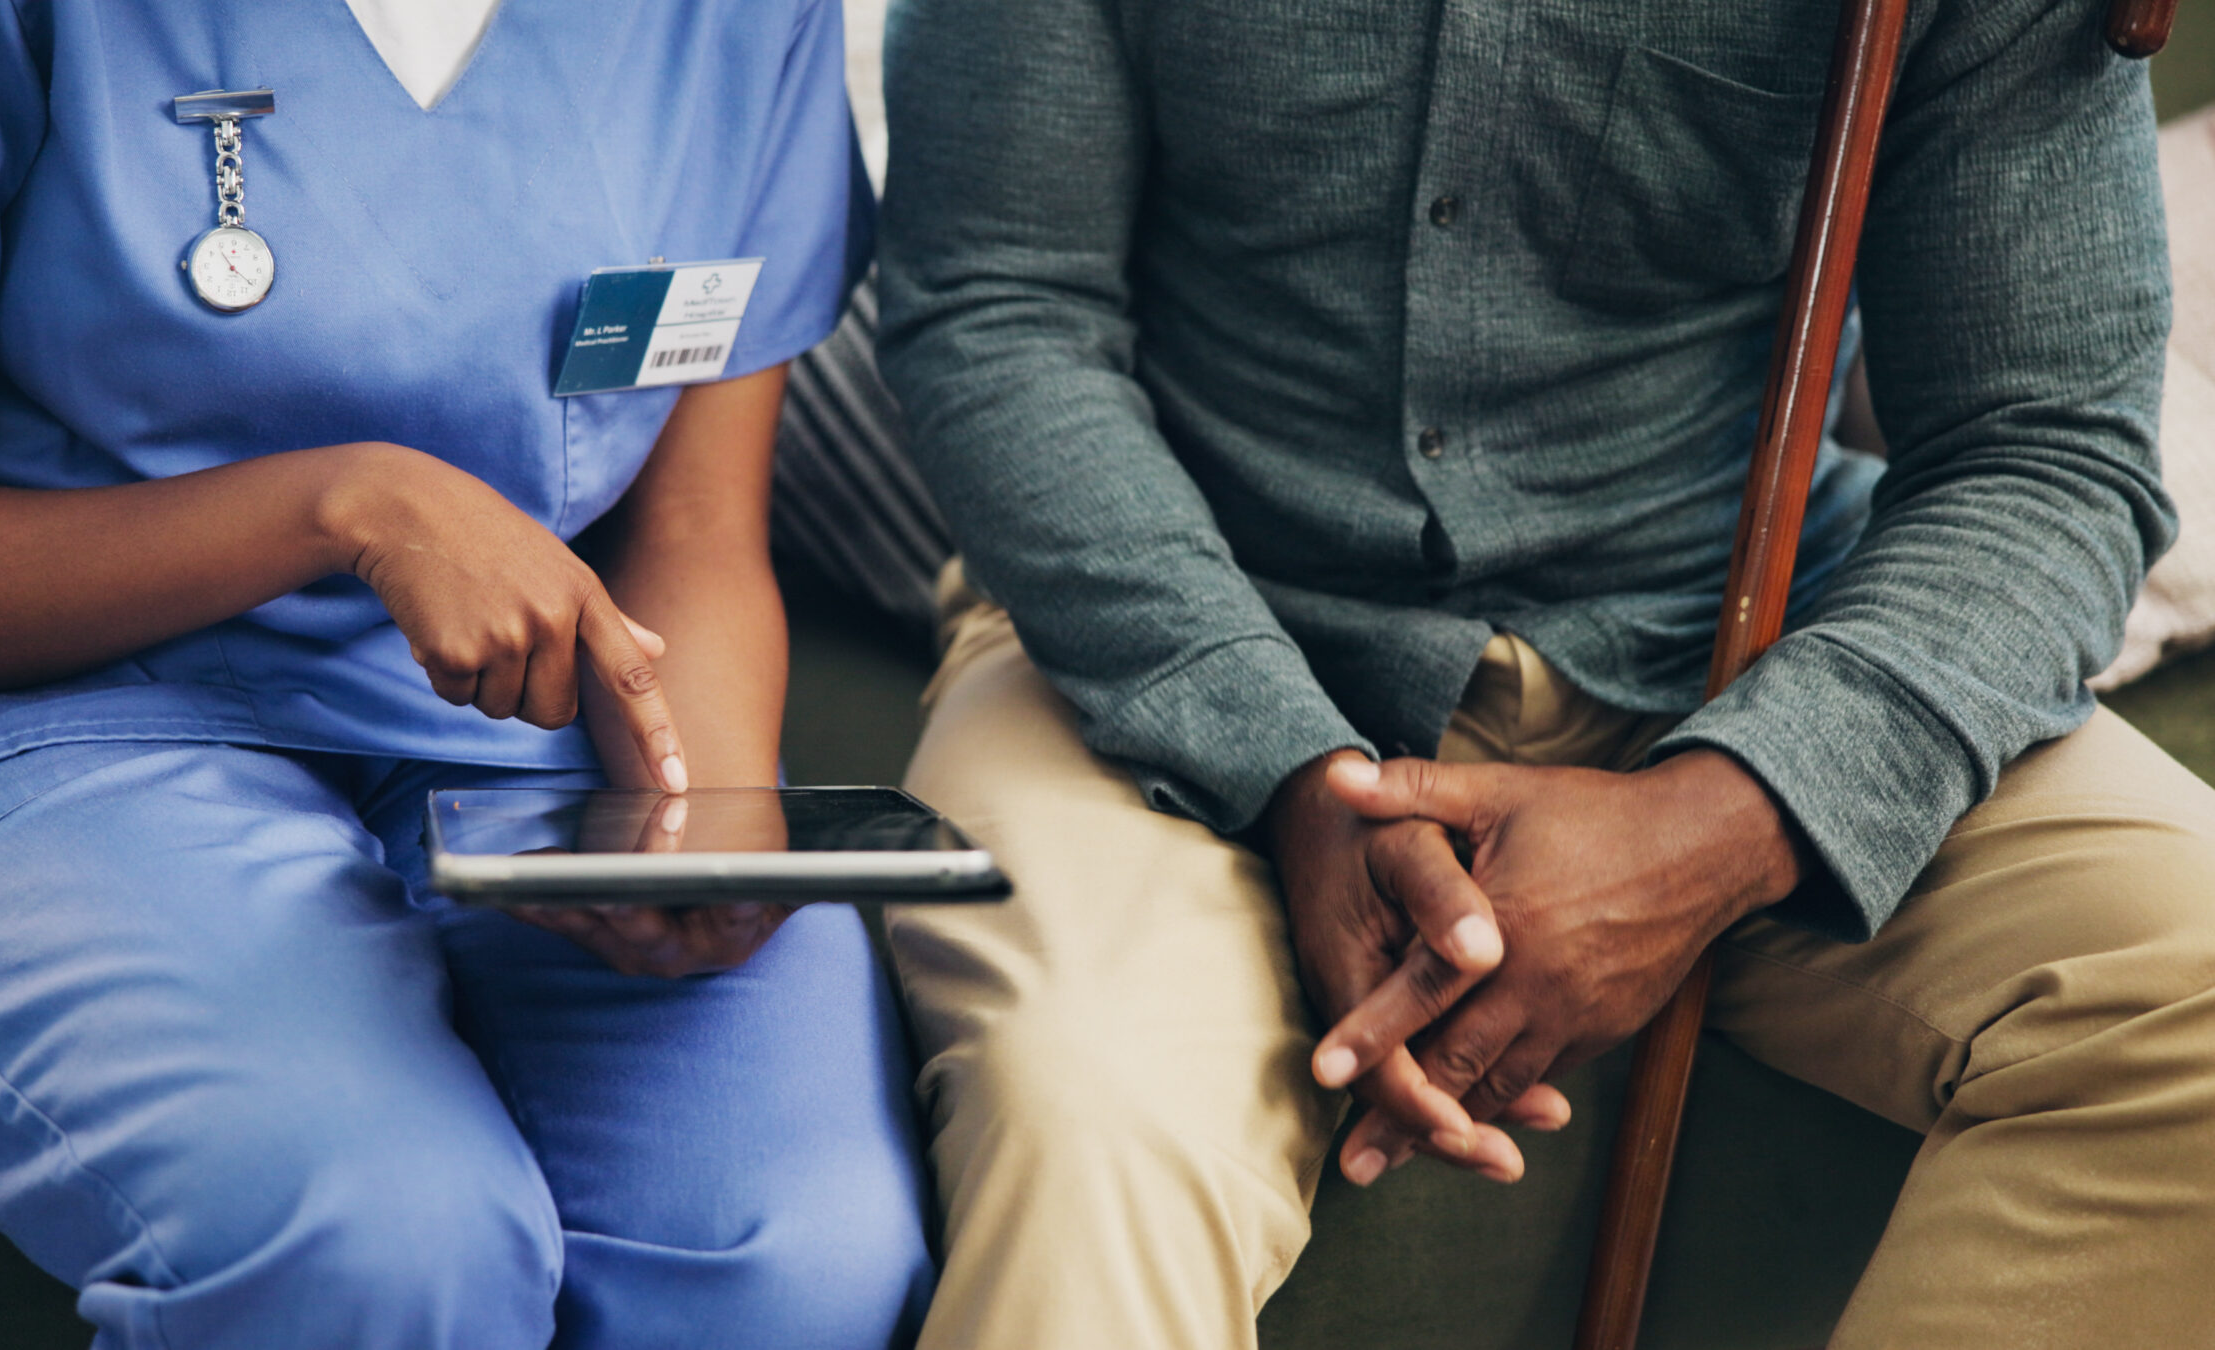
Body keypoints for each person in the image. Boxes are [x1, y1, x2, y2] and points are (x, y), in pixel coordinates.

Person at [874, 0, 2215, 1347]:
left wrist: (1724, 820)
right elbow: (1002, 309)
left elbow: (2043, 444)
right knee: (1088, 1113)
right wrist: (1274, 752)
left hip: (1742, 643)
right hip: (1167, 642)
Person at [0, 0, 931, 1346]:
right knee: (386, 1241)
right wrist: (349, 506)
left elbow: (696, 535)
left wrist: (701, 821)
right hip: (28, 716)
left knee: (799, 1265)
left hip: (526, 731)